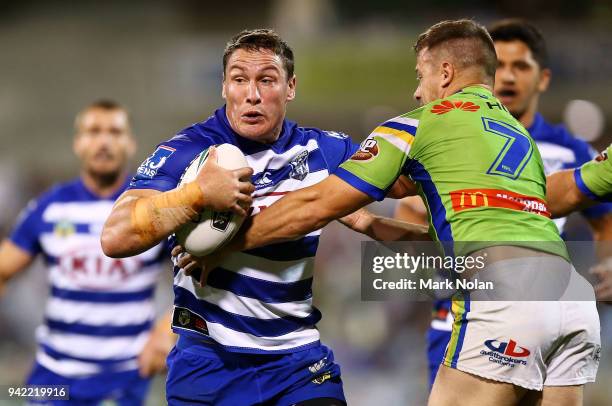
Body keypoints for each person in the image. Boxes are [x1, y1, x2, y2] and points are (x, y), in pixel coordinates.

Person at [207, 20, 600, 406]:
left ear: (445, 73)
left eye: (420, 74)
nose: (416, 92)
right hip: (572, 302)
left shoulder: (420, 126)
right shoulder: (520, 140)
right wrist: (375, 224)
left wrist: (226, 244)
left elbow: (313, 206)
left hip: (505, 298)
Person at [102, 29, 359, 405]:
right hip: (207, 367)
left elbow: (403, 182)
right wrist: (196, 195)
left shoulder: (322, 149)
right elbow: (115, 236)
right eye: (239, 79)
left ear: (290, 88)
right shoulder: (187, 150)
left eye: (266, 80)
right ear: (224, 86)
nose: (251, 94)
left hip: (297, 364)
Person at [394, 19, 612, 387]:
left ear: (542, 78)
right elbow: (410, 224)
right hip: (462, 311)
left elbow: (603, 219)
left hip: (544, 308)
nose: (508, 77)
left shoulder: (570, 150)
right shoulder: (443, 131)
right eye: (501, 65)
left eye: (520, 66)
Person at [0, 100, 175, 405]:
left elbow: (200, 277)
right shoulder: (49, 207)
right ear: (78, 143)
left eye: (114, 132)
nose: (104, 141)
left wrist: (168, 329)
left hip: (127, 378)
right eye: (93, 131)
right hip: (54, 375)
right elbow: (3, 269)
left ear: (130, 142)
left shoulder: (153, 208)